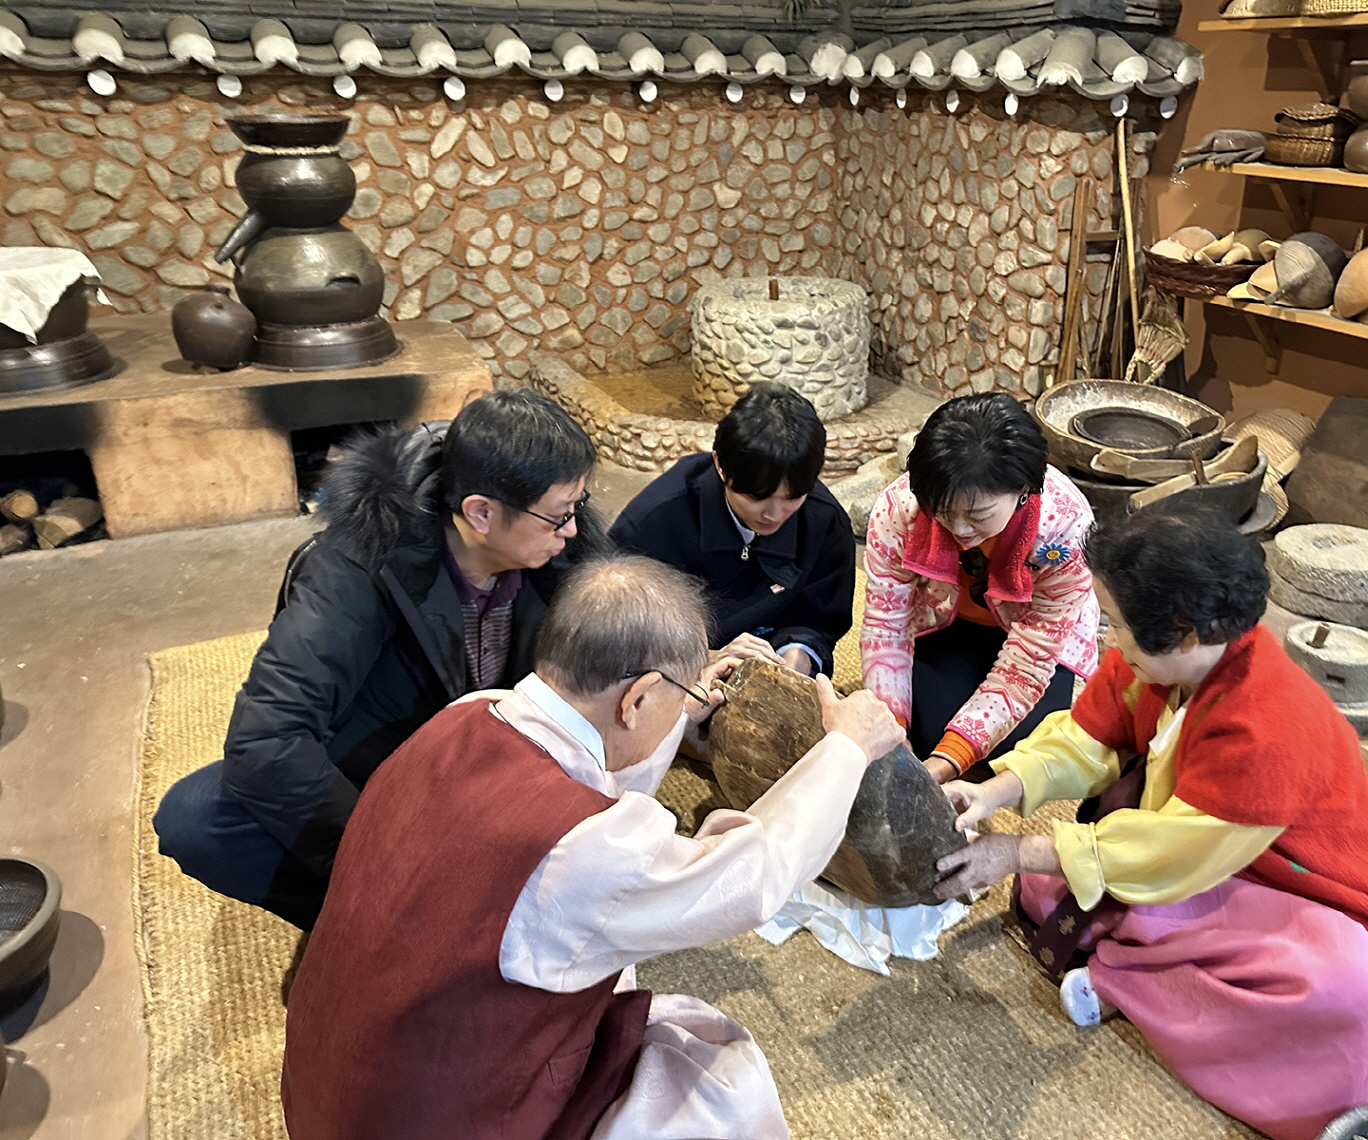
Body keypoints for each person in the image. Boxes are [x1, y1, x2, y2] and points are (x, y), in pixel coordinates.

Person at [280, 554, 905, 1140]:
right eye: (680, 696)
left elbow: (591, 769)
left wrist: (678, 709)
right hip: (437, 1119)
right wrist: (846, 748)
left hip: (326, 1083)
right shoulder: (588, 847)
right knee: (717, 1079)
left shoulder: (469, 712)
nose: (685, 708)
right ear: (636, 698)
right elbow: (753, 877)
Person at [933, 499, 1368, 1140]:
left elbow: (1174, 850)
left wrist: (1016, 852)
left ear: (1183, 633)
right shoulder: (1159, 659)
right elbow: (1087, 739)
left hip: (1307, 892)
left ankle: (1124, 981)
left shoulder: (1270, 725)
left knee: (1348, 989)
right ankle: (1140, 964)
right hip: (1199, 854)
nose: (1109, 640)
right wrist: (996, 790)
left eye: (1117, 624)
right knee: (1056, 887)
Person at [154, 390, 604, 930]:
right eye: (557, 517)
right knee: (198, 817)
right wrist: (383, 865)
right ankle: (386, 924)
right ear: (480, 513)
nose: (571, 530)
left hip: (503, 761)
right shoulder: (358, 565)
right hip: (395, 759)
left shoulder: (559, 550)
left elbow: (622, 648)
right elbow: (267, 738)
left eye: (576, 508)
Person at [861, 392, 1099, 784]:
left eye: (978, 515)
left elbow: (1031, 657)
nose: (958, 529)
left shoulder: (1066, 530)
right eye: (942, 511)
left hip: (1034, 632)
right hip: (944, 618)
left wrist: (950, 760)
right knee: (922, 730)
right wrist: (891, 727)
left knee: (1025, 745)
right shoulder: (900, 509)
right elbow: (886, 625)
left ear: (1024, 490)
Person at [610, 382, 854, 677]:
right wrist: (707, 657)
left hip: (769, 661)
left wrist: (795, 658)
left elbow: (820, 619)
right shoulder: (654, 520)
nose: (774, 515)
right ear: (720, 465)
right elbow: (613, 630)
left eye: (793, 497)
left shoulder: (824, 520)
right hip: (671, 667)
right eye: (755, 497)